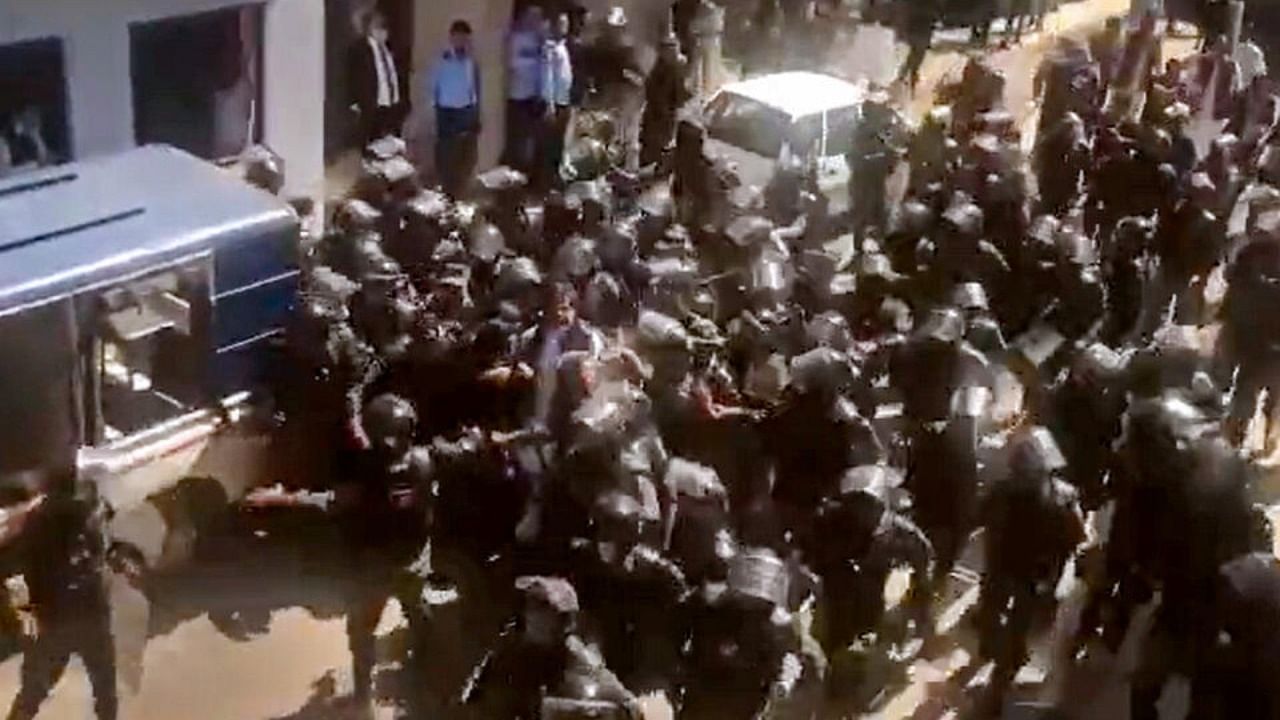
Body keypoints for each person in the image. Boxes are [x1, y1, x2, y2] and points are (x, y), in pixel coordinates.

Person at [5, 475, 137, 720]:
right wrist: (28, 618)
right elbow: (16, 575)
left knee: (98, 690)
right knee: (42, 691)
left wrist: (117, 560)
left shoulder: (80, 518)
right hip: (64, 620)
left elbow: (101, 552)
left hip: (77, 617)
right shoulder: (42, 523)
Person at [432, 20, 482, 199]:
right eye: (459, 38)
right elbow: (433, 87)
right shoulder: (442, 59)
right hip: (447, 113)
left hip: (466, 112)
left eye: (466, 39)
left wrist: (476, 113)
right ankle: (447, 194)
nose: (463, 42)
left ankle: (461, 194)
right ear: (452, 38)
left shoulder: (471, 61)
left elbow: (475, 88)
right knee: (447, 156)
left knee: (465, 157)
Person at [349, 10, 409, 150]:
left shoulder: (389, 49)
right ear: (371, 30)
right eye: (378, 28)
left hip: (390, 102)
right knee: (371, 141)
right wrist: (354, 101)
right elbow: (353, 76)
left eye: (384, 29)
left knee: (387, 141)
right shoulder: (360, 49)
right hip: (371, 102)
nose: (383, 33)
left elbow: (393, 73)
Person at [504, 4, 547, 174]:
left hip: (535, 96)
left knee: (535, 139)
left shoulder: (540, 40)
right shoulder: (516, 38)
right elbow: (514, 64)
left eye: (538, 18)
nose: (535, 21)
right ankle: (515, 173)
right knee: (518, 139)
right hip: (518, 94)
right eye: (532, 17)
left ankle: (530, 175)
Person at [640, 35, 692, 168]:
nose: (670, 51)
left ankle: (658, 163)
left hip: (666, 110)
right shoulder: (660, 67)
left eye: (672, 48)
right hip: (657, 110)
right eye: (667, 48)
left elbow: (680, 88)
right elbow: (651, 88)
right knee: (654, 139)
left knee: (663, 140)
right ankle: (652, 161)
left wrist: (682, 99)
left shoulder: (677, 66)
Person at [541, 13, 575, 190]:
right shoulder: (550, 48)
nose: (565, 27)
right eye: (562, 24)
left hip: (565, 100)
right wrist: (549, 105)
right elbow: (547, 78)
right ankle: (547, 183)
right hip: (555, 104)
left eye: (566, 24)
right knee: (552, 145)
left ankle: (556, 178)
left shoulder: (563, 47)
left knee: (560, 144)